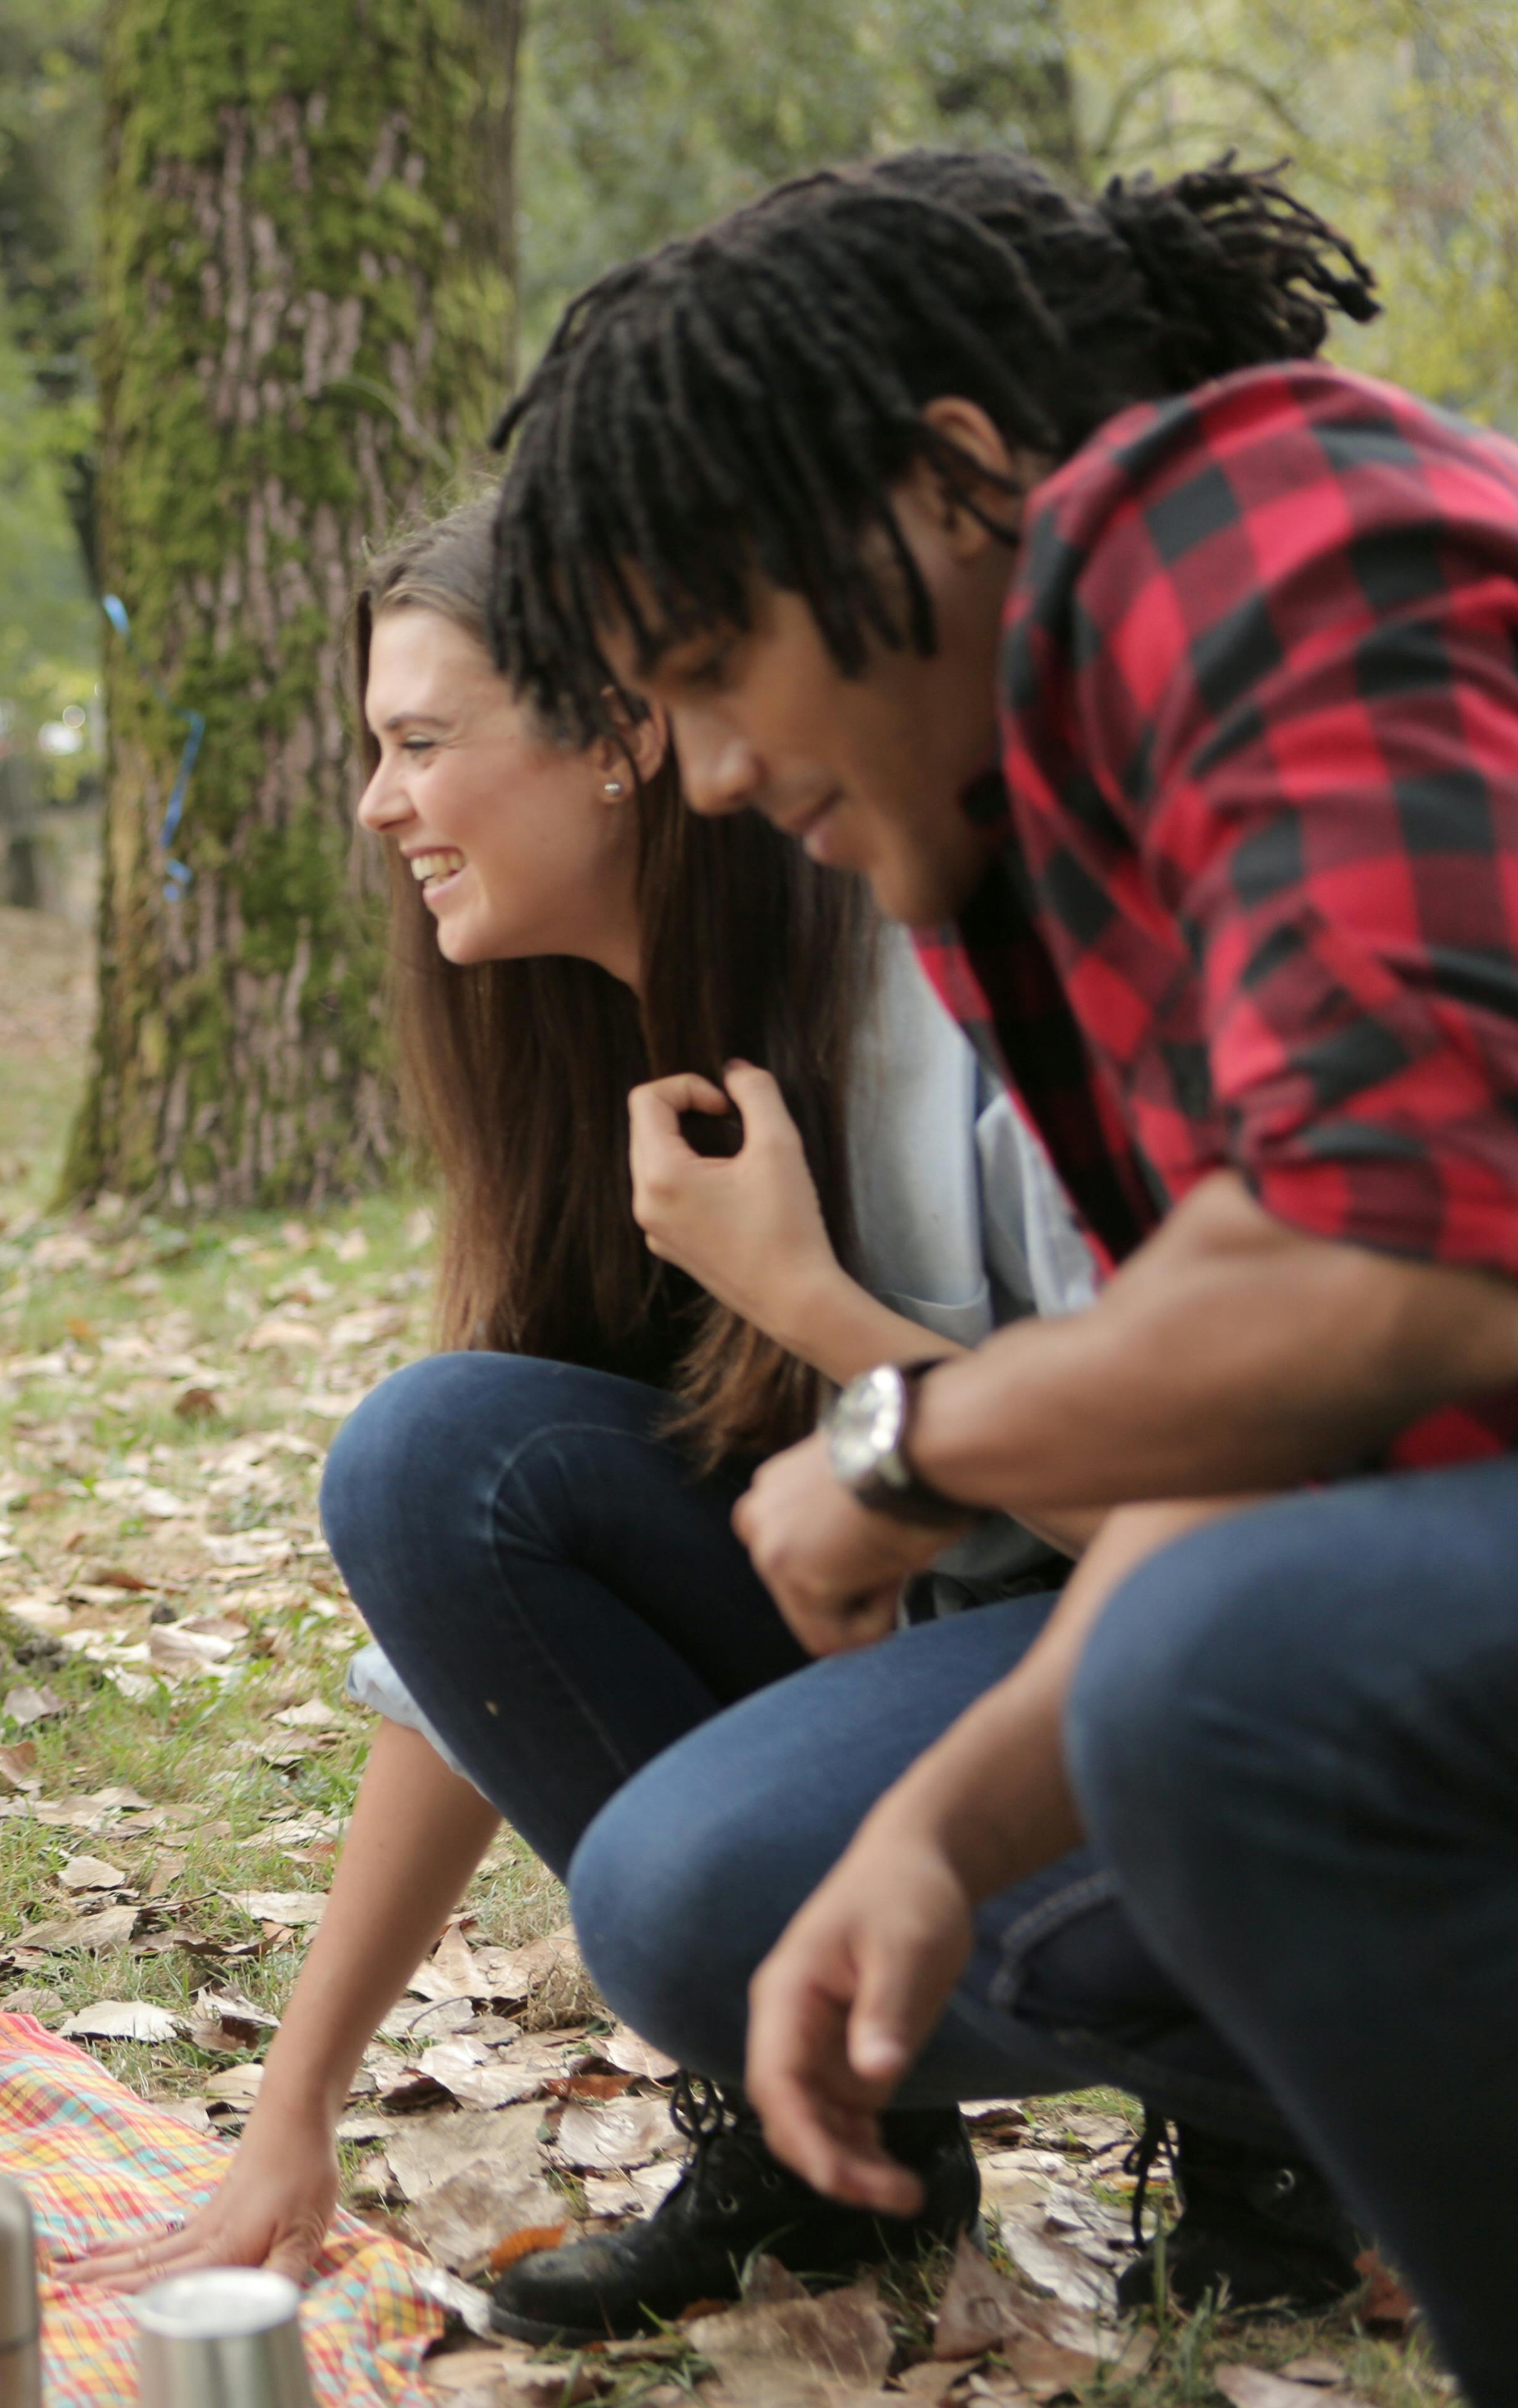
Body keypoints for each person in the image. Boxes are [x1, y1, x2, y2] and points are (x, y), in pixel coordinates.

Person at [489, 151, 1518, 2374]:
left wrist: (904, 1437)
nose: (734, 772)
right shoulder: (1043, 844)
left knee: (1236, 1682)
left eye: (719, 667)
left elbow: (1414, 1276)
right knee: (889, 1849)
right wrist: (945, 1834)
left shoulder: (1260, 528)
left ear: (957, 477)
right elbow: (1266, 1446)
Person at [57, 494, 1113, 2340]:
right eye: (369, 752)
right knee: (433, 1453)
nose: (380, 806)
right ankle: (816, 2176)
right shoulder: (589, 1059)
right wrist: (289, 2109)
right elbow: (459, 1635)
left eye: (418, 745)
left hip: (1160, 1656)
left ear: (625, 740)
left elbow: (1222, 1509)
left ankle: (1279, 2127)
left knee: (680, 1896)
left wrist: (808, 1306)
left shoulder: (942, 994)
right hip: (934, 1648)